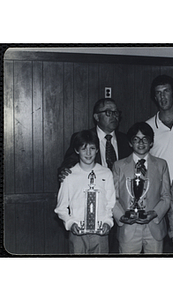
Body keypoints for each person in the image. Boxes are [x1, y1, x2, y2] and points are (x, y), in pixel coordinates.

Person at [58, 98, 132, 253]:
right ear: (96, 117)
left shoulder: (126, 140)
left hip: (117, 208)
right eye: (108, 112)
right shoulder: (84, 138)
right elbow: (69, 162)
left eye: (116, 112)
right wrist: (64, 173)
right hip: (85, 213)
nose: (114, 116)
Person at [112, 122, 171, 254]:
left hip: (154, 227)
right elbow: (112, 198)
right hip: (128, 228)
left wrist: (155, 213)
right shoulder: (119, 166)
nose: (141, 143)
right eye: (136, 139)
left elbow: (166, 196)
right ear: (130, 143)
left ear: (151, 143)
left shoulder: (161, 165)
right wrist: (122, 217)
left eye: (145, 139)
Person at [54, 130, 116, 254]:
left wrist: (107, 222)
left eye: (92, 148)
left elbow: (111, 203)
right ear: (77, 150)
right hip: (77, 235)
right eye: (83, 149)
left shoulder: (106, 173)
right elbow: (61, 208)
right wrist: (71, 223)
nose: (88, 153)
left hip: (100, 234)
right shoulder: (69, 175)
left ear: (98, 150)